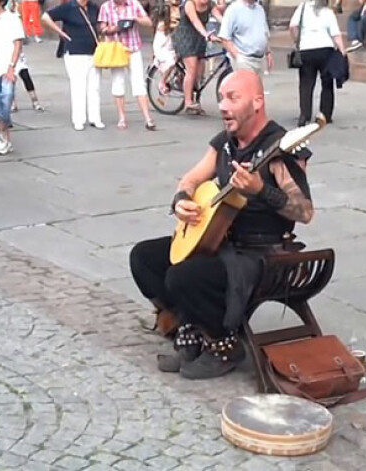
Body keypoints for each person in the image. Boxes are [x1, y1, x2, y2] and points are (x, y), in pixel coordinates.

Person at [129, 70, 314, 380]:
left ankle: (223, 346)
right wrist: (181, 201)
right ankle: (192, 328)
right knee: (144, 258)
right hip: (221, 243)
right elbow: (191, 178)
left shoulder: (280, 147)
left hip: (261, 254)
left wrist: (260, 190)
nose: (223, 106)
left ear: (257, 102)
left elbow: (305, 211)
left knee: (182, 276)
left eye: (232, 98)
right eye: (220, 99)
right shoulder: (224, 143)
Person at [42, 0, 104, 131]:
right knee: (78, 86)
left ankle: (95, 117)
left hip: (94, 51)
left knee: (95, 86)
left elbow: (99, 25)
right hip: (75, 52)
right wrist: (60, 33)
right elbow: (46, 17)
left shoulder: (94, 8)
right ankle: (78, 119)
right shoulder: (68, 7)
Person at [98, 0, 156, 130]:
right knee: (118, 83)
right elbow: (102, 29)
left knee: (139, 84)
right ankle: (122, 117)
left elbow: (149, 22)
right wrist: (113, 28)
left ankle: (148, 118)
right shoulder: (106, 7)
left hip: (133, 49)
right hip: (117, 49)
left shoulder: (134, 4)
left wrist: (135, 19)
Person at [289, 0, 346, 127]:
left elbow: (292, 26)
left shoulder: (302, 8)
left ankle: (304, 115)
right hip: (325, 49)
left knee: (306, 83)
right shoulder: (328, 12)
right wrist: (342, 51)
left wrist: (297, 41)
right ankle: (325, 114)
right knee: (327, 83)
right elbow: (335, 34)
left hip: (306, 49)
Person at [172, 0, 222, 115]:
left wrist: (230, 28)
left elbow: (220, 18)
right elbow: (195, 21)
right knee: (192, 69)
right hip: (186, 37)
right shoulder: (190, 3)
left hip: (200, 38)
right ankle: (188, 102)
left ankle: (194, 96)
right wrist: (206, 34)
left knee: (199, 73)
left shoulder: (210, 5)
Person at [0, 0, 23, 154]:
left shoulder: (12, 18)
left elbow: (18, 44)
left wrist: (11, 66)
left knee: (6, 98)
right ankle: (4, 137)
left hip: (7, 67)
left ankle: (1, 127)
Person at [217, 0, 272, 75]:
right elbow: (224, 38)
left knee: (257, 86)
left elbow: (264, 33)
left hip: (259, 60)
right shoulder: (233, 9)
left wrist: (268, 53)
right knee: (248, 85)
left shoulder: (260, 9)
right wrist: (238, 58)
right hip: (244, 59)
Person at [151, 1, 176, 95]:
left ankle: (173, 79)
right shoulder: (163, 25)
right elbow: (171, 28)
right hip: (161, 48)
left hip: (169, 47)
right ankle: (162, 81)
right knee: (171, 62)